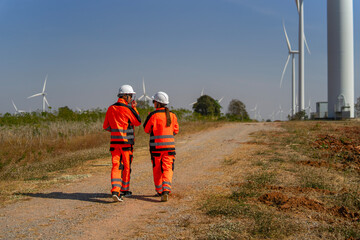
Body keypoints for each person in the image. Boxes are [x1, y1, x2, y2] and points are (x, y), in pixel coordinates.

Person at [103, 84, 141, 202]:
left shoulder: (110, 108)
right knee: (126, 166)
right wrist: (134, 108)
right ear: (126, 96)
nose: (131, 98)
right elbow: (137, 122)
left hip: (114, 143)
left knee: (116, 166)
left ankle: (115, 190)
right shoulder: (128, 109)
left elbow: (106, 126)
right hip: (126, 144)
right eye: (130, 96)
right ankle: (124, 190)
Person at [143, 91, 179, 202]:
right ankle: (166, 190)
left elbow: (146, 129)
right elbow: (176, 130)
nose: (153, 103)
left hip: (156, 149)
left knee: (157, 170)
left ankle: (159, 191)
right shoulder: (172, 116)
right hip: (169, 149)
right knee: (168, 169)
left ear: (157, 103)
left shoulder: (153, 115)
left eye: (154, 101)